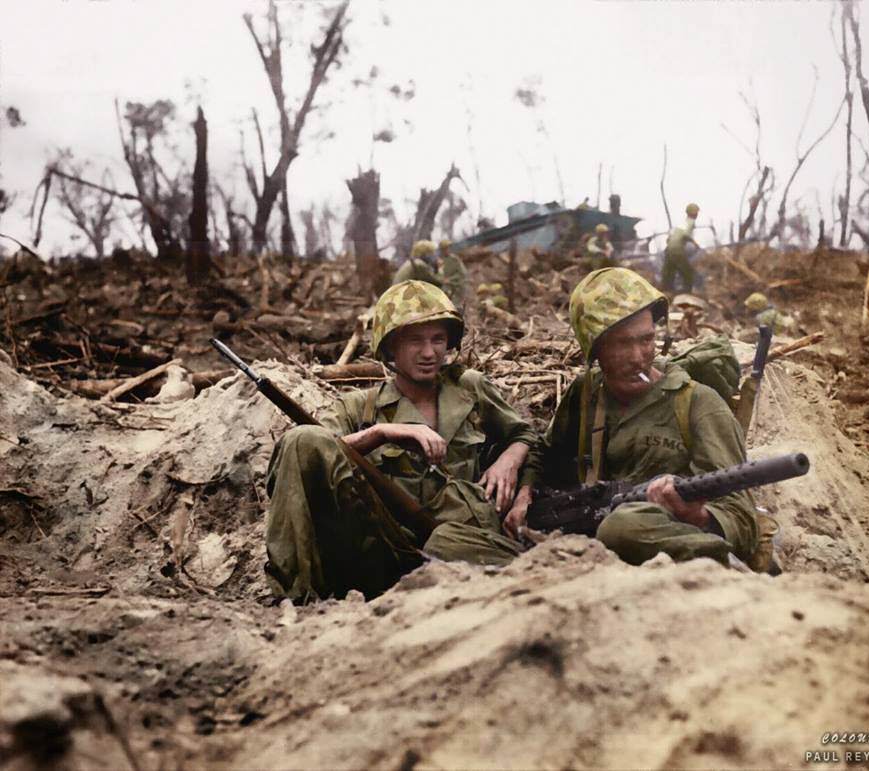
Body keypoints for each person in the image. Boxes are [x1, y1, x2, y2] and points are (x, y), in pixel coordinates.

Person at [264, 280, 536, 601]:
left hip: (460, 540)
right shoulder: (359, 407)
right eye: (415, 340)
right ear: (391, 346)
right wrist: (380, 433)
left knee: (467, 550)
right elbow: (310, 453)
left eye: (438, 339)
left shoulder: (470, 388)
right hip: (381, 548)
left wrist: (513, 468)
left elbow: (526, 435)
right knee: (301, 438)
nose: (429, 352)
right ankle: (291, 596)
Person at [505, 267, 760, 568]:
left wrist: (697, 515)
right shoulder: (586, 395)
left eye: (647, 340)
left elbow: (743, 520)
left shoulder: (699, 404)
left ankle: (725, 567)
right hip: (585, 542)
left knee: (622, 526)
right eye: (622, 344)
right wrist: (524, 493)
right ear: (595, 350)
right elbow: (546, 455)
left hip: (657, 536)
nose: (639, 356)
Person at [662, 202, 701, 293]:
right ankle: (687, 293)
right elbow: (686, 234)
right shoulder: (691, 222)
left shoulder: (681, 222)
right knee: (688, 272)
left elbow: (669, 238)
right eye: (696, 212)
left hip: (669, 249)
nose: (697, 215)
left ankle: (667, 292)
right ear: (693, 213)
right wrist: (695, 243)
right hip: (677, 250)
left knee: (669, 271)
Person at [437, 238, 469, 311]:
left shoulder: (455, 259)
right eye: (445, 249)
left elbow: (462, 273)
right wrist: (442, 279)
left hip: (457, 287)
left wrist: (450, 279)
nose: (447, 250)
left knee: (457, 308)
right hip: (445, 288)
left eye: (448, 248)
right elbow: (438, 274)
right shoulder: (439, 261)